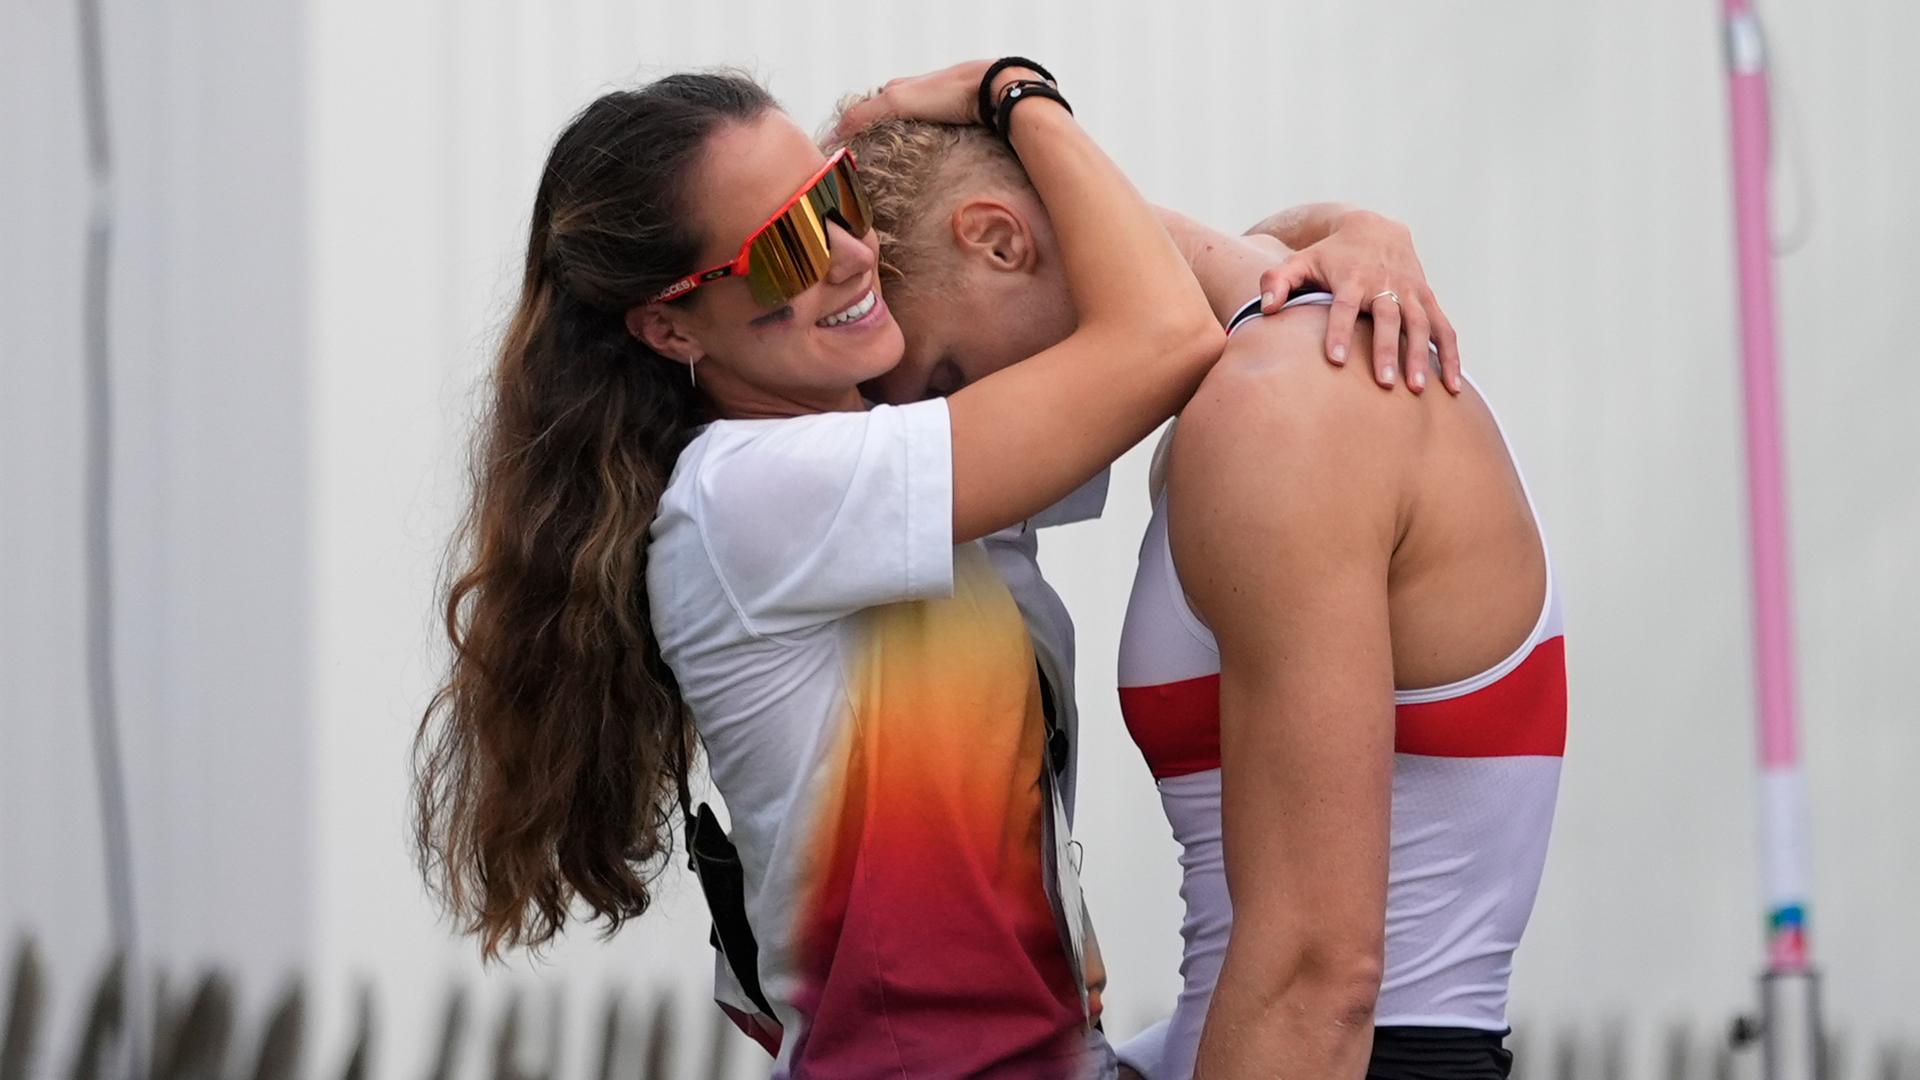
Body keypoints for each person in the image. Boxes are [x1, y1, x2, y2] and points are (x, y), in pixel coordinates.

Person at [416, 58, 1229, 1078]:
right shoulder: (750, 496)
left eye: (835, 200)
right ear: (669, 326)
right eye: (786, 246)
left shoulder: (903, 458)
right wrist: (1014, 96)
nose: (853, 256)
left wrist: (1348, 240)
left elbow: (1166, 288)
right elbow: (1165, 334)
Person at [833, 108, 1562, 1080]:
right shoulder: (1249, 373)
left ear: (1000, 238)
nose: (965, 434)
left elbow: (1318, 974)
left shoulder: (1282, 414)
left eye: (949, 380)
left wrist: (1010, 95)